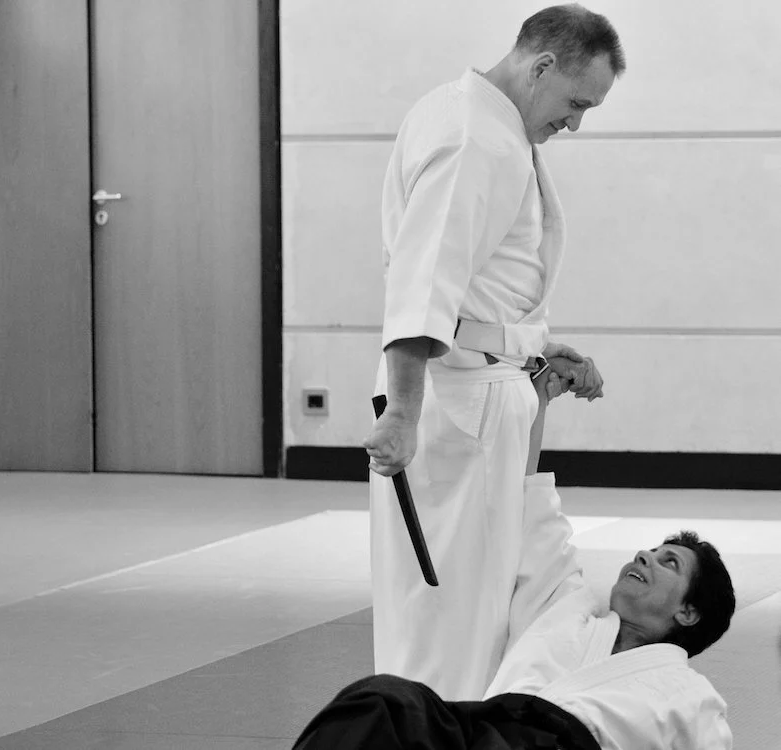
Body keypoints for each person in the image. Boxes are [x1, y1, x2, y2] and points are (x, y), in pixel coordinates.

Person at [365, 4, 622, 700]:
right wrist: (403, 411)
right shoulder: (475, 138)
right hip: (454, 407)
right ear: (541, 66)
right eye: (576, 103)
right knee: (452, 621)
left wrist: (526, 345)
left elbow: (476, 282)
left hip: (472, 387)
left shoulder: (473, 119)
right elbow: (424, 281)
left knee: (466, 611)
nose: (575, 124)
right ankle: (431, 735)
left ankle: (435, 730)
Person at [295, 367, 736, 749]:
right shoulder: (569, 604)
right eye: (653, 551)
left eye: (669, 562)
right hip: (486, 727)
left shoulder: (692, 697)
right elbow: (534, 508)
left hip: (563, 740)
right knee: (380, 703)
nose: (644, 555)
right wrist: (538, 397)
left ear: (689, 612)